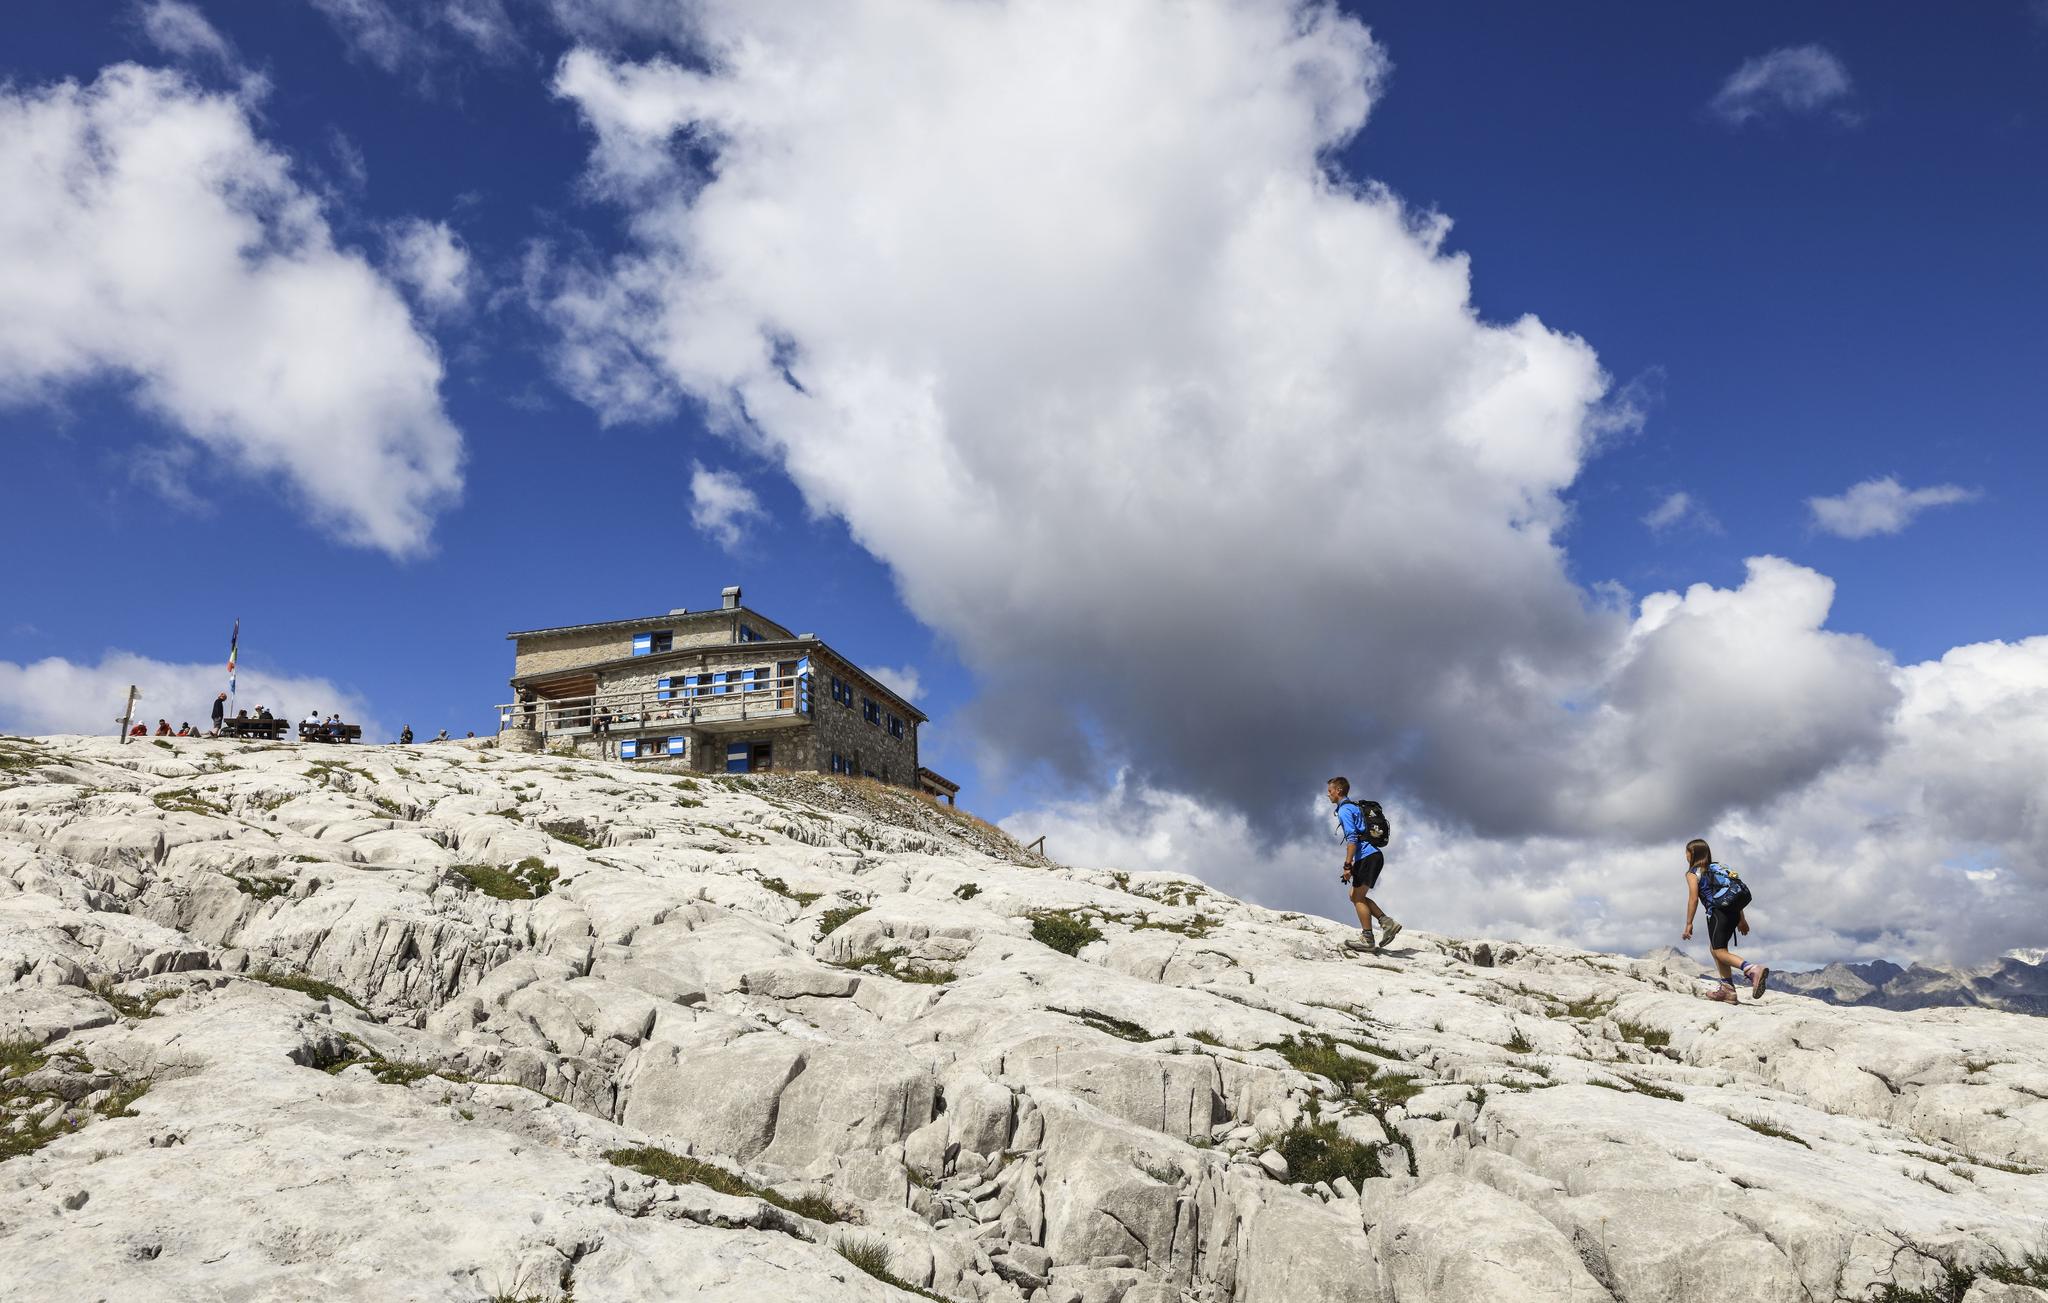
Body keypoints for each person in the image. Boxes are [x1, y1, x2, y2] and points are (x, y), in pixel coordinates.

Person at [1682, 838, 1768, 1003]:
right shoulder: (1719, 867)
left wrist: (1689, 923)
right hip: (1733, 911)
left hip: (1717, 913)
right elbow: (1731, 893)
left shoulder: (1693, 873)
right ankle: (1728, 990)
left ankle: (1752, 969)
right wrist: (1741, 919)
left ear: (1692, 854)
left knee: (1720, 951)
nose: (1685, 856)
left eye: (1686, 852)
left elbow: (1693, 899)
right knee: (1716, 949)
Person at [1328, 776, 1402, 954]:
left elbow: (1352, 839)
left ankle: (1368, 938)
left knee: (1358, 897)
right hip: (1371, 856)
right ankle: (1386, 922)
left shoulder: (1345, 810)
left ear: (1339, 791)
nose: (1328, 795)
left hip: (1368, 856)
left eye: (1330, 791)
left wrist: (1347, 865)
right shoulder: (1354, 807)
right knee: (1355, 895)